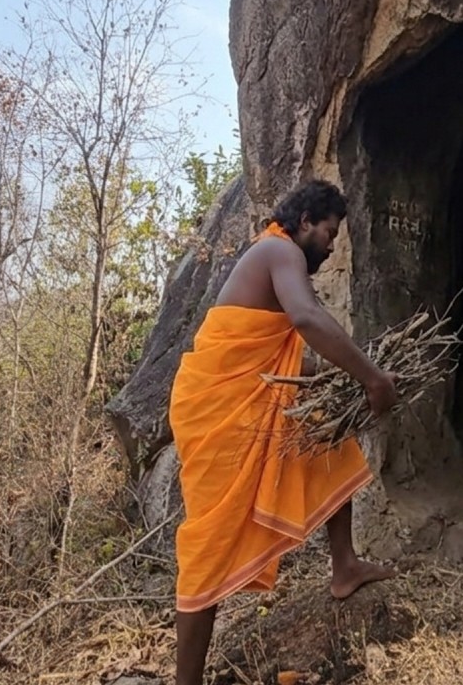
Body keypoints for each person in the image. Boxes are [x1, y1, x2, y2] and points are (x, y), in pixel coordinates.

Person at [168, 179, 399, 685]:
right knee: (210, 544)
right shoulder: (279, 248)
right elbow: (307, 318)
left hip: (246, 398)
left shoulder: (274, 254)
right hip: (219, 410)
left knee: (330, 440)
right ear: (306, 221)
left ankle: (344, 566)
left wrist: (346, 372)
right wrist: (372, 378)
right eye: (331, 232)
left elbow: (278, 356)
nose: (333, 245)